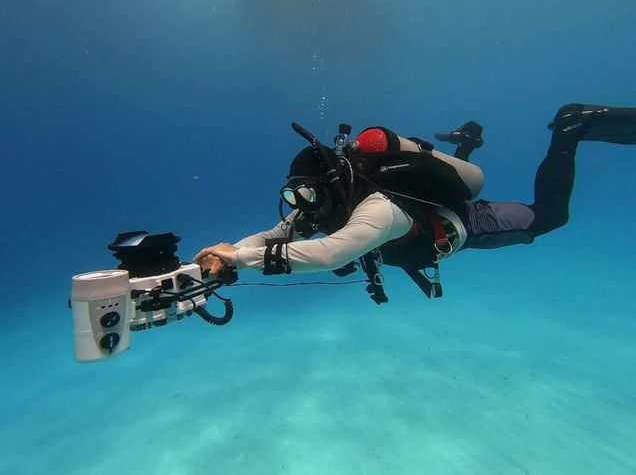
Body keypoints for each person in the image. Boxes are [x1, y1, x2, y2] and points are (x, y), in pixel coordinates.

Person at [195, 104, 636, 302]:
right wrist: (227, 250)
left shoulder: (376, 209)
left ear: (330, 184)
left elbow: (331, 254)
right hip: (419, 228)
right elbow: (275, 235)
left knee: (549, 218)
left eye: (306, 194)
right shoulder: (321, 204)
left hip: (466, 222)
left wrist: (243, 260)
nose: (301, 206)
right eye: (294, 195)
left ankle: (568, 131)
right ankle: (465, 144)